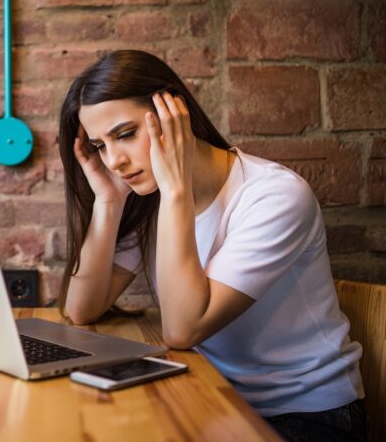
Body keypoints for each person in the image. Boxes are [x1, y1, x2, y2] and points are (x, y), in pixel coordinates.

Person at [57, 50, 366, 441]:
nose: (114, 160)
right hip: (213, 397)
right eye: (100, 145)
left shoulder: (274, 195)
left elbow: (183, 330)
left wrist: (176, 192)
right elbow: (81, 308)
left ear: (174, 114)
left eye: (125, 134)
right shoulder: (150, 195)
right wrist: (109, 202)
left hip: (308, 415)